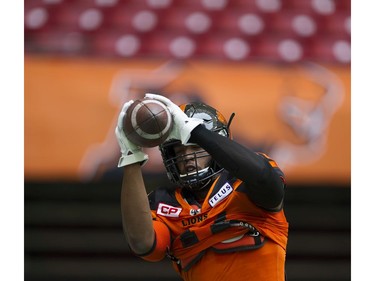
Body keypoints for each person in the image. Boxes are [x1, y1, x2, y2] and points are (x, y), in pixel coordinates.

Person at [115, 93, 289, 281]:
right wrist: (131, 158)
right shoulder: (164, 202)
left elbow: (264, 179)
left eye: (196, 147)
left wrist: (195, 132)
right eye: (180, 150)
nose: (187, 156)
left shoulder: (245, 182)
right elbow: (143, 244)